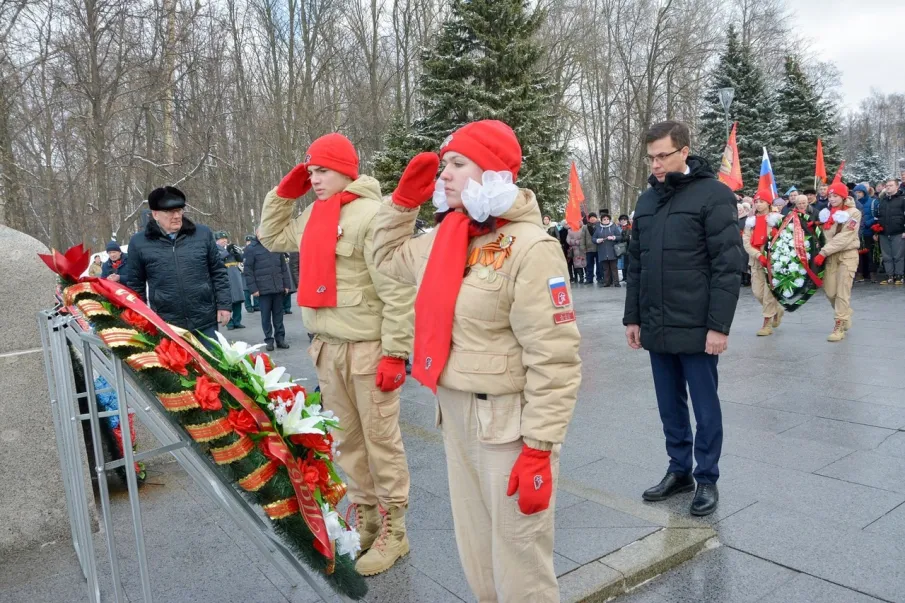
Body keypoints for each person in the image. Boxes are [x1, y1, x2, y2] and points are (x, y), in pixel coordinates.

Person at [371, 120, 581, 602]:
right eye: (444, 165)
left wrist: (540, 447)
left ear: (491, 173)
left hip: (508, 425)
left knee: (520, 560)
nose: (443, 175)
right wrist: (402, 203)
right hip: (456, 412)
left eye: (457, 164)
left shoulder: (532, 248)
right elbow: (383, 257)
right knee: (477, 556)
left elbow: (556, 358)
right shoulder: (448, 237)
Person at [258, 132, 414, 576]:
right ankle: (365, 520)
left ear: (347, 170)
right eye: (310, 171)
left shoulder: (372, 215)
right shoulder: (312, 214)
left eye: (322, 170)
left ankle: (394, 531)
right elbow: (271, 236)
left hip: (368, 348)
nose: (314, 179)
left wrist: (395, 353)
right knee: (346, 441)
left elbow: (397, 290)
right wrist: (284, 194)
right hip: (328, 347)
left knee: (381, 441)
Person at [623, 121, 743, 517]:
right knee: (669, 406)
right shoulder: (646, 202)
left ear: (684, 151)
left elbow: (727, 266)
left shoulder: (714, 195)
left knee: (705, 407)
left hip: (697, 325)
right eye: (651, 157)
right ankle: (680, 470)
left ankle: (707, 478)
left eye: (663, 155)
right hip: (656, 323)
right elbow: (636, 264)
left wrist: (718, 326)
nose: (655, 164)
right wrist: (633, 318)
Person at [123, 186, 231, 345]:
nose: (176, 216)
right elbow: (135, 285)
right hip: (168, 325)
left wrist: (224, 305)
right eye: (169, 212)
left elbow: (218, 272)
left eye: (179, 210)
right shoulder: (139, 243)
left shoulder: (202, 234)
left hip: (205, 321)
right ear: (155, 214)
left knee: (213, 367)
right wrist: (140, 319)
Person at [814, 183, 861, 341]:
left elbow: (844, 237)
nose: (832, 199)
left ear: (843, 196)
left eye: (836, 196)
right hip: (830, 257)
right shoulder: (826, 214)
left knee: (842, 291)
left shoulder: (854, 213)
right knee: (830, 291)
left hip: (847, 255)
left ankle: (839, 325)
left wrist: (823, 252)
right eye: (830, 196)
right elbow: (824, 236)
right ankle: (845, 311)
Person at [742, 196, 784, 336]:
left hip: (773, 262)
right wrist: (758, 255)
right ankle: (777, 310)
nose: (759, 205)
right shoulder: (750, 221)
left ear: (768, 203)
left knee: (768, 293)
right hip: (756, 261)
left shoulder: (777, 219)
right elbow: (746, 242)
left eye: (762, 202)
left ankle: (766, 324)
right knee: (757, 292)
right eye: (756, 202)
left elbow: (785, 238)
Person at [244, 232, 291, 350]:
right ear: (257, 234)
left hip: (277, 288)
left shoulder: (275, 245)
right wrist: (253, 289)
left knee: (278, 316)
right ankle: (269, 340)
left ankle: (280, 339)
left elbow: (283, 268)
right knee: (265, 317)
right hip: (262, 289)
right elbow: (248, 271)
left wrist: (286, 284)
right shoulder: (251, 249)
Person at [214, 231, 246, 330]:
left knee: (238, 299)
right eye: (221, 239)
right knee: (229, 299)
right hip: (225, 275)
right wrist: (227, 251)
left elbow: (240, 259)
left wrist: (237, 253)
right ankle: (229, 323)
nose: (224, 240)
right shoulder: (215, 249)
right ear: (217, 240)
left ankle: (237, 321)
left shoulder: (230, 248)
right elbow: (218, 258)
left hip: (235, 275)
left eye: (225, 238)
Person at [875, 178, 905, 285]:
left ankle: (899, 275)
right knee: (886, 255)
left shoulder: (902, 199)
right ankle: (889, 275)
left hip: (898, 231)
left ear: (897, 187)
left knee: (898, 255)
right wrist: (876, 232)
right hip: (883, 232)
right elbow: (878, 216)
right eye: (887, 185)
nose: (888, 187)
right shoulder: (882, 200)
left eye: (891, 185)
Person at [855, 184, 879, 283]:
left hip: (869, 231)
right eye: (856, 193)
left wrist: (866, 223)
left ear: (864, 193)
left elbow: (876, 216)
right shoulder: (854, 203)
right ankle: (860, 273)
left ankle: (872, 273)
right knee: (859, 254)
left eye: (860, 192)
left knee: (870, 253)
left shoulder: (873, 202)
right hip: (858, 232)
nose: (858, 194)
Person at [594, 211, 622, 287]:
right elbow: (593, 238)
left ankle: (616, 282)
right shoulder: (598, 228)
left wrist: (613, 237)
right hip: (602, 251)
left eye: (607, 219)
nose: (606, 220)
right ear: (601, 220)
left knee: (614, 268)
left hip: (612, 251)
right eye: (604, 219)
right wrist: (597, 240)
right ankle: (607, 282)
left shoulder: (614, 227)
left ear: (609, 220)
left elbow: (620, 236)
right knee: (606, 269)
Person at [241, 234, 260, 313]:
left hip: (254, 272)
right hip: (244, 272)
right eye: (247, 241)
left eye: (250, 241)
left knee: (255, 288)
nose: (248, 243)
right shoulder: (242, 250)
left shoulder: (255, 250)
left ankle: (256, 305)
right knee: (246, 291)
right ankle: (248, 306)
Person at [580, 212, 600, 283]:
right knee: (589, 265)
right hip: (588, 249)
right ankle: (589, 278)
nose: (592, 219)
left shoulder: (600, 226)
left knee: (599, 264)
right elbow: (582, 238)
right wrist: (583, 247)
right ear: (589, 219)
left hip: (599, 248)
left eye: (593, 217)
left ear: (596, 218)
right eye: (591, 217)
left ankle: (599, 278)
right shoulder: (585, 227)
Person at [618, 214, 632, 283]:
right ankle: (624, 277)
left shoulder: (629, 227)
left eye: (624, 219)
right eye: (621, 220)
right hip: (621, 248)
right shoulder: (619, 227)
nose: (622, 221)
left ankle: (627, 277)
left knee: (627, 263)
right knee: (622, 263)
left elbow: (627, 238)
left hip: (627, 247)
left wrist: (620, 237)